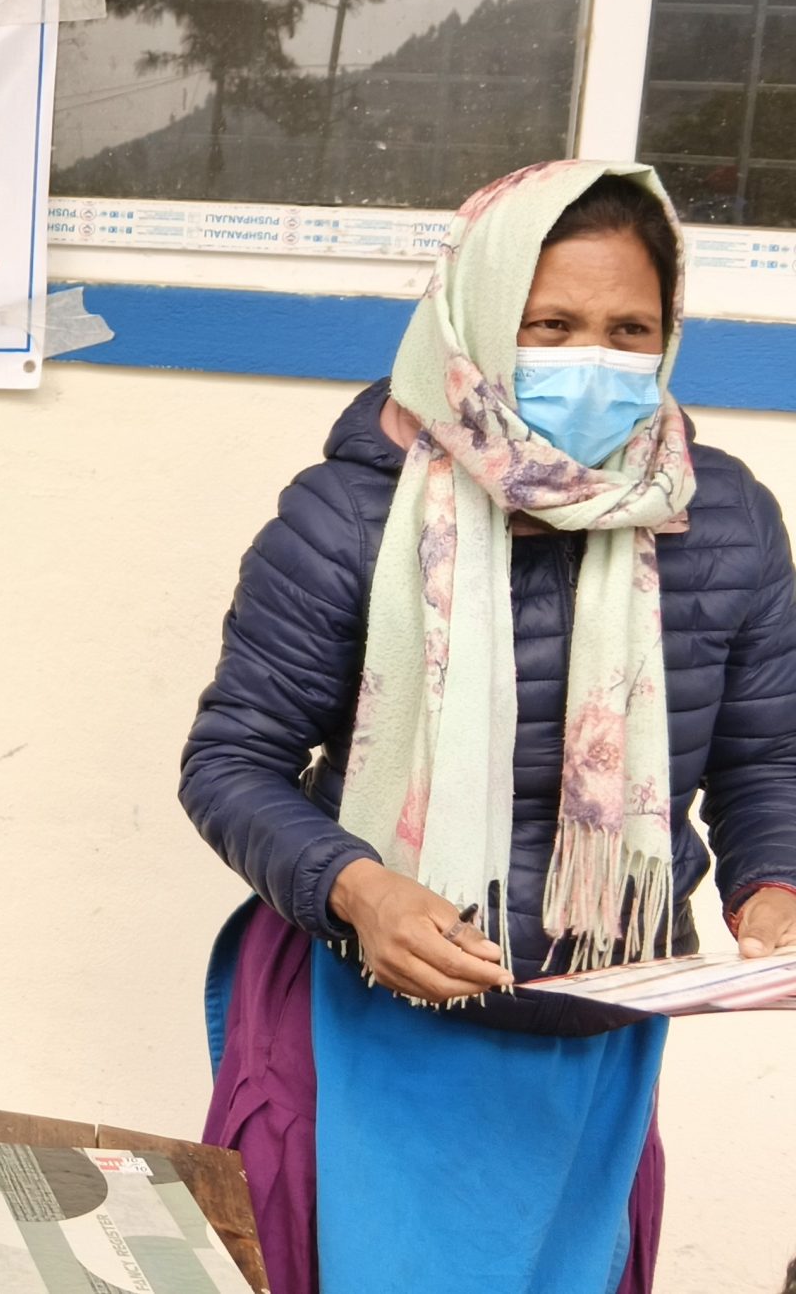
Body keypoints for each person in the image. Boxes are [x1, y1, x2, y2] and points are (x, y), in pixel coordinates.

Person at [182, 160, 796, 1293]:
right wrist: (358, 888)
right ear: (474, 318)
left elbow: (767, 754)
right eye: (550, 325)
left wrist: (775, 882)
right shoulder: (350, 514)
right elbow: (233, 759)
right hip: (370, 1019)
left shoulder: (727, 520)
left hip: (595, 1034)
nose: (594, 359)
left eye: (628, 331)